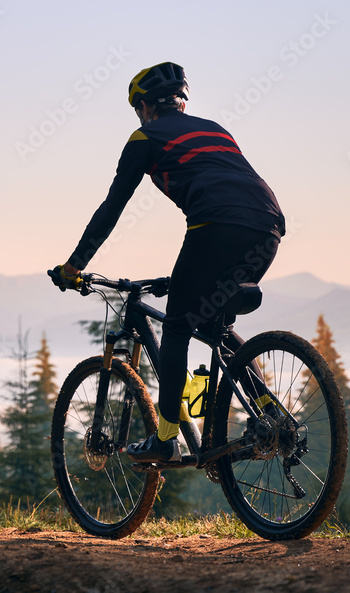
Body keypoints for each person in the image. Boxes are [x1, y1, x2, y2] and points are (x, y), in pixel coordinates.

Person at [51, 62, 285, 463]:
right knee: (216, 325)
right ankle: (269, 415)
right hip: (268, 225)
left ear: (144, 106)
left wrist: (74, 265)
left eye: (136, 109)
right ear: (181, 101)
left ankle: (164, 439)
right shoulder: (215, 128)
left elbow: (112, 208)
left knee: (176, 327)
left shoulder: (144, 137)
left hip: (216, 223)